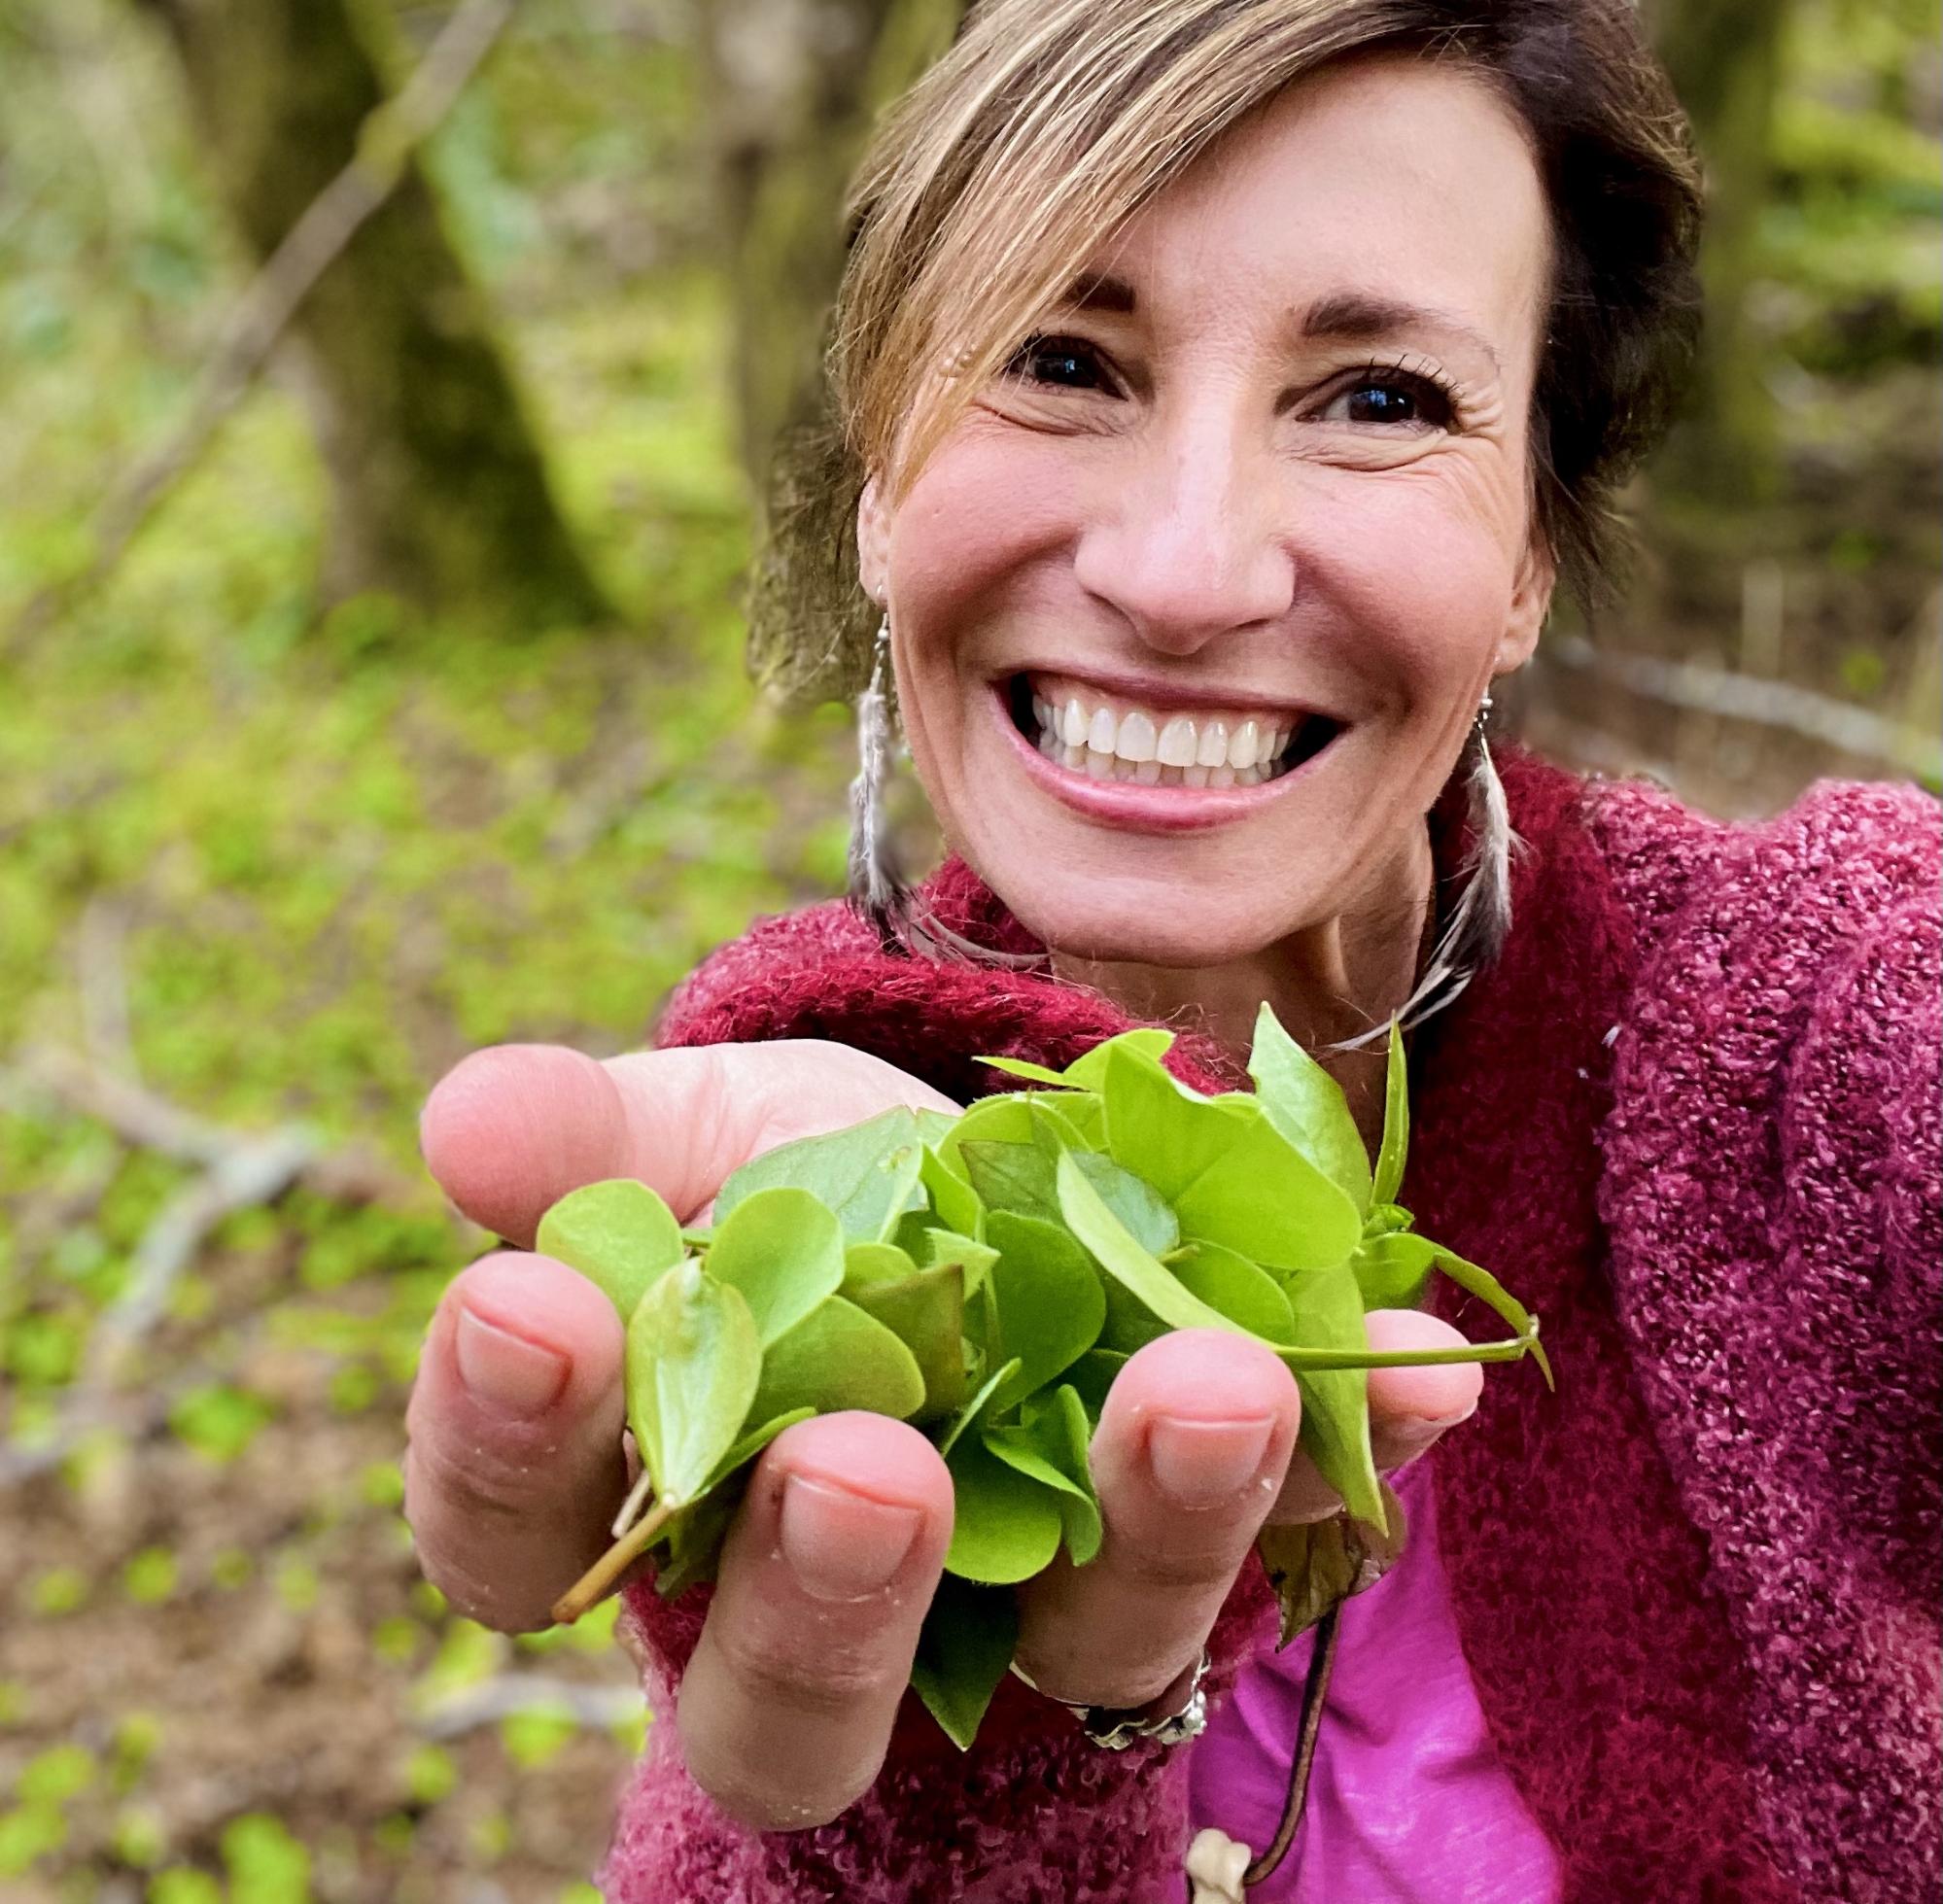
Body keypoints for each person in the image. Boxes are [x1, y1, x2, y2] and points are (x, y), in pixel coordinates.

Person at [401, 1, 1942, 1898]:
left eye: (1377, 395)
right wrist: (955, 1764)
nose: (1187, 569)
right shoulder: (777, 1187)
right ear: (882, 482)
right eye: (1063, 357)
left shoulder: (1816, 1040)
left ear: (1530, 550)